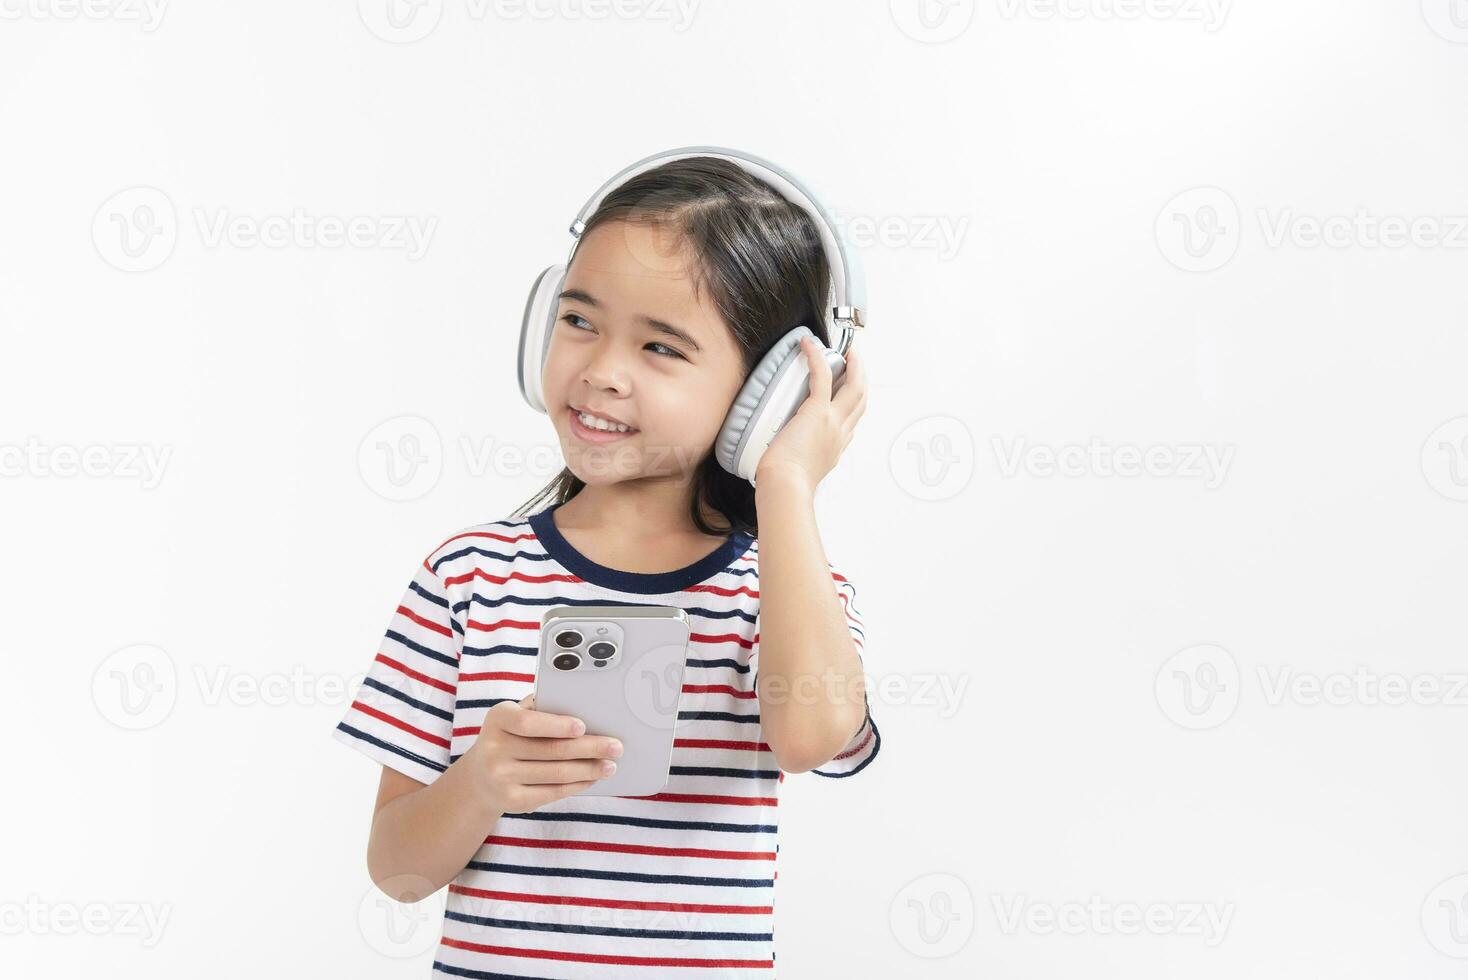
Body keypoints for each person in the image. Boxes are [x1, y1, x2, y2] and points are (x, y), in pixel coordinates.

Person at [334, 153, 880, 977]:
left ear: (765, 395)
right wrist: (479, 783)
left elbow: (809, 738)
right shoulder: (469, 577)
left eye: (662, 346)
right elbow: (398, 871)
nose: (600, 373)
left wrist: (788, 478)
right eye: (580, 320)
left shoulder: (788, 592)